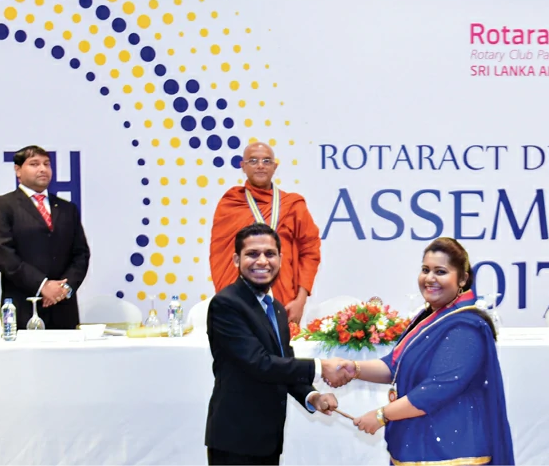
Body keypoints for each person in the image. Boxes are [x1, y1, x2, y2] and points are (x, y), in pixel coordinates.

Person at [338, 237, 514, 465]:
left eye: (440, 272)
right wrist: (354, 369)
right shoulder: (430, 317)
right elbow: (395, 365)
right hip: (420, 445)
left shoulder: (465, 328)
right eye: (425, 270)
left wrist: (381, 415)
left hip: (452, 452)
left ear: (462, 279)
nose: (430, 278)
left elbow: (436, 389)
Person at [205, 223, 346, 465]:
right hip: (235, 439)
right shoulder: (226, 304)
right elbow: (259, 363)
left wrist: (312, 396)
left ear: (280, 259)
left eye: (269, 254)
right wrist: (321, 367)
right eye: (252, 254)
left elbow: (283, 363)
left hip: (267, 439)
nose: (262, 261)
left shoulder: (278, 309)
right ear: (236, 260)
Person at [209, 142, 321, 323]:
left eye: (266, 161)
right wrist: (227, 300)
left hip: (284, 300)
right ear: (243, 166)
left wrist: (300, 301)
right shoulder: (230, 204)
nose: (260, 165)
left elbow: (310, 253)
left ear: (275, 167)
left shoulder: (293, 205)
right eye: (253, 161)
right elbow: (219, 257)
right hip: (239, 301)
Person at [0, 146, 90, 329]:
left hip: (63, 308)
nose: (42, 169)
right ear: (18, 170)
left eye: (46, 164)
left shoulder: (67, 208)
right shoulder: (2, 206)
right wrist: (43, 285)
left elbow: (81, 254)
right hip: (23, 305)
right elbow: (2, 255)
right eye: (34, 164)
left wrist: (63, 289)